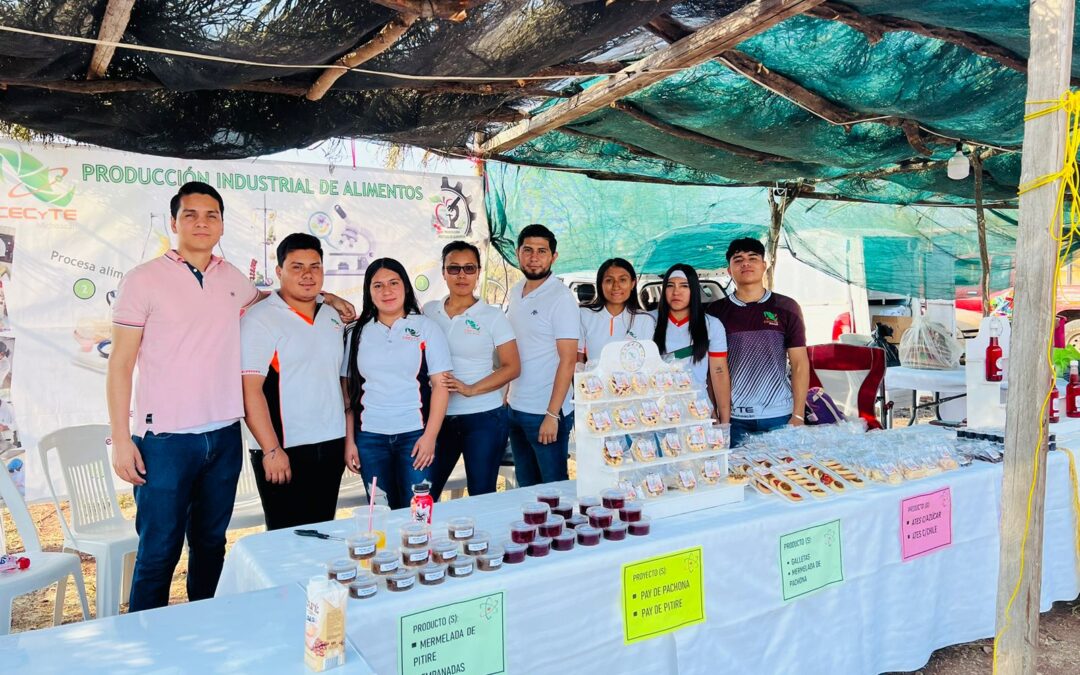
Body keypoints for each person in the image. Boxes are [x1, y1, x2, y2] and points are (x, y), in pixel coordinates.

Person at [107, 182, 354, 612]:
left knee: (210, 545)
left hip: (223, 436)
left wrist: (324, 295)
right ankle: (144, 637)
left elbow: (274, 300)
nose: (202, 223)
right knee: (159, 550)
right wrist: (121, 438)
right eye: (191, 215)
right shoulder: (142, 280)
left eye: (212, 215)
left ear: (222, 224)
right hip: (165, 440)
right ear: (173, 223)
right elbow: (120, 364)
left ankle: (209, 628)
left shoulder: (231, 277)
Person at [240, 233, 346, 530]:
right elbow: (250, 392)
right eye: (297, 267)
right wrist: (271, 450)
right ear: (279, 271)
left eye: (315, 266)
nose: (307, 274)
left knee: (323, 532)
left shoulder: (333, 315)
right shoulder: (260, 319)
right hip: (284, 450)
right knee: (286, 541)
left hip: (331, 445)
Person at [342, 258, 452, 509]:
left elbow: (441, 386)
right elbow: (347, 392)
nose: (387, 291)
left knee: (418, 512)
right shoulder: (356, 332)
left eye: (394, 283)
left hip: (415, 437)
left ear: (406, 287)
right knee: (380, 513)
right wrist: (350, 441)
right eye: (378, 285)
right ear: (369, 292)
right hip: (369, 439)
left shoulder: (426, 327)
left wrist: (430, 437)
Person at [422, 241, 520, 497]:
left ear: (478, 273)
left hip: (483, 417)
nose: (462, 275)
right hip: (438, 417)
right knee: (424, 492)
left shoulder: (492, 316)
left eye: (469, 268)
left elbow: (512, 367)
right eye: (454, 268)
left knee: (482, 493)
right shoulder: (428, 311)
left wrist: (471, 389)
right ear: (443, 272)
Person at [707, 238, 809, 447]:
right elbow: (711, 369)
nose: (745, 263)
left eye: (753, 258)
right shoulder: (715, 313)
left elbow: (799, 363)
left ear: (764, 265)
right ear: (729, 270)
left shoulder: (787, 307)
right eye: (738, 260)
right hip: (734, 418)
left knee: (783, 467)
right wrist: (713, 412)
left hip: (780, 415)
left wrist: (798, 415)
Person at [506, 224, 579, 487]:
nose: (534, 257)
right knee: (526, 489)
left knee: (554, 490)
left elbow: (568, 360)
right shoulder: (516, 291)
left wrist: (552, 414)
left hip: (545, 412)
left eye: (541, 251)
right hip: (516, 408)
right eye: (528, 250)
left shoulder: (561, 298)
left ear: (553, 257)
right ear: (518, 253)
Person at [652, 264, 731, 423]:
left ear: (694, 290)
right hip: (656, 411)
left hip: (697, 409)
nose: (676, 292)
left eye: (684, 286)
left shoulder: (712, 325)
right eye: (670, 285)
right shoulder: (648, 320)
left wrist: (724, 420)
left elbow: (719, 372)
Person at [578, 258, 656, 363]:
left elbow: (647, 362)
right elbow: (578, 359)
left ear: (633, 283)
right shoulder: (584, 315)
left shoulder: (645, 320)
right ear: (601, 284)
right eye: (609, 280)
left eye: (622, 280)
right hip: (593, 374)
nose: (616, 286)